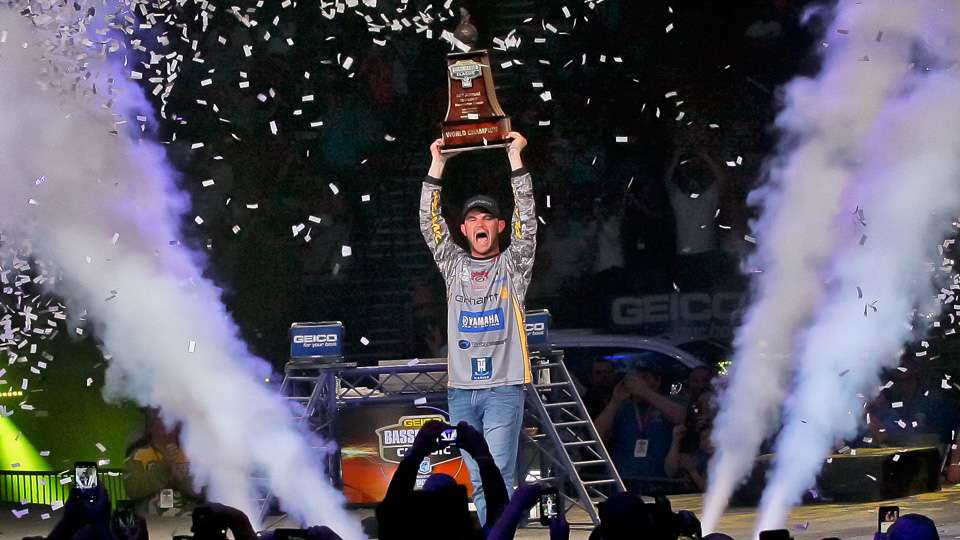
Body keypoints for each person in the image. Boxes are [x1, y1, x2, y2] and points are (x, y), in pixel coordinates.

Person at [418, 132, 537, 524]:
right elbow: (428, 223)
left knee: (498, 470)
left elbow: (527, 220)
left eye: (487, 218)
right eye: (472, 219)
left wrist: (515, 157)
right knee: (478, 479)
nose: (479, 223)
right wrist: (437, 164)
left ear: (499, 226)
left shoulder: (513, 267)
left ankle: (498, 533)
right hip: (462, 390)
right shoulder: (454, 267)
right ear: (464, 229)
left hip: (504, 385)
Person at [377, 420, 508, 540]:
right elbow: (501, 518)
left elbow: (390, 514)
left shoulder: (398, 532)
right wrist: (483, 456)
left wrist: (414, 456)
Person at [594, 363, 686, 493]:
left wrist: (645, 392)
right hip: (623, 480)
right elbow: (596, 435)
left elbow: (681, 417)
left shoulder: (669, 402)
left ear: (657, 381)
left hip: (658, 482)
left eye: (644, 377)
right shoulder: (622, 406)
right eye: (633, 379)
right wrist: (615, 401)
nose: (637, 383)